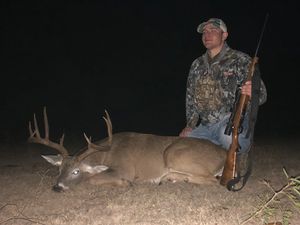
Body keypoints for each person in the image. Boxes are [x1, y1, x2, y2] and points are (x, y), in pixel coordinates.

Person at [179, 18, 267, 167]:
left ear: (224, 35)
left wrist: (253, 92)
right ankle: (216, 156)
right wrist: (190, 125)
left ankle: (240, 152)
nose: (207, 35)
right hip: (205, 126)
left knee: (226, 137)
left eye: (213, 30)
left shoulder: (240, 60)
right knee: (184, 142)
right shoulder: (196, 65)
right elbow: (190, 98)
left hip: (230, 123)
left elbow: (262, 95)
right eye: (204, 32)